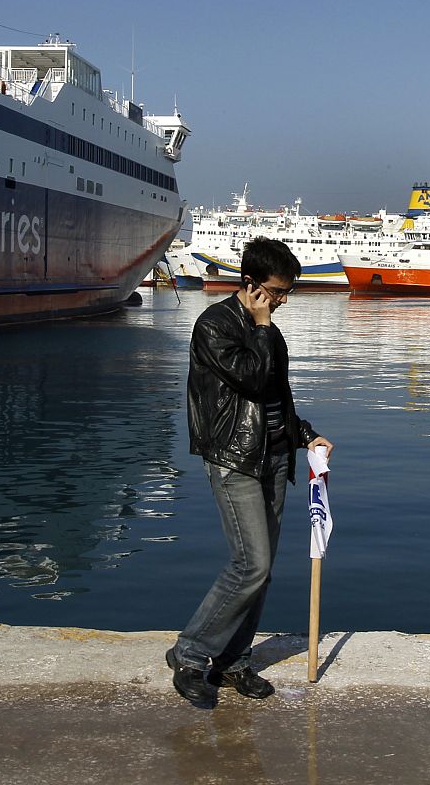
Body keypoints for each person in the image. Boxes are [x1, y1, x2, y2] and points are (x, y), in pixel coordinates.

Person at [167, 237, 334, 707]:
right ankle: (191, 653)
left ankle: (233, 659)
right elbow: (253, 379)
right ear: (251, 285)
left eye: (286, 293)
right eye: (277, 292)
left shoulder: (270, 333)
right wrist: (261, 325)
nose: (281, 301)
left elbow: (277, 398)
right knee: (251, 563)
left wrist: (306, 436)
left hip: (276, 457)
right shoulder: (213, 326)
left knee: (262, 571)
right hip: (234, 457)